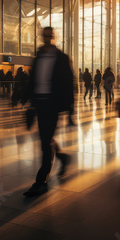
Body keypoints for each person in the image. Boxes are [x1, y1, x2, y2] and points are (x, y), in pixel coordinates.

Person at [24, 26, 72, 197]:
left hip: (52, 105)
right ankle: (62, 157)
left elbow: (68, 84)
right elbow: (33, 80)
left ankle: (41, 181)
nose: (47, 38)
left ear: (54, 37)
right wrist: (25, 99)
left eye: (50, 36)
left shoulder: (61, 58)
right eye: (44, 36)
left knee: (44, 143)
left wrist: (70, 111)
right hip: (39, 104)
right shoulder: (38, 57)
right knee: (46, 138)